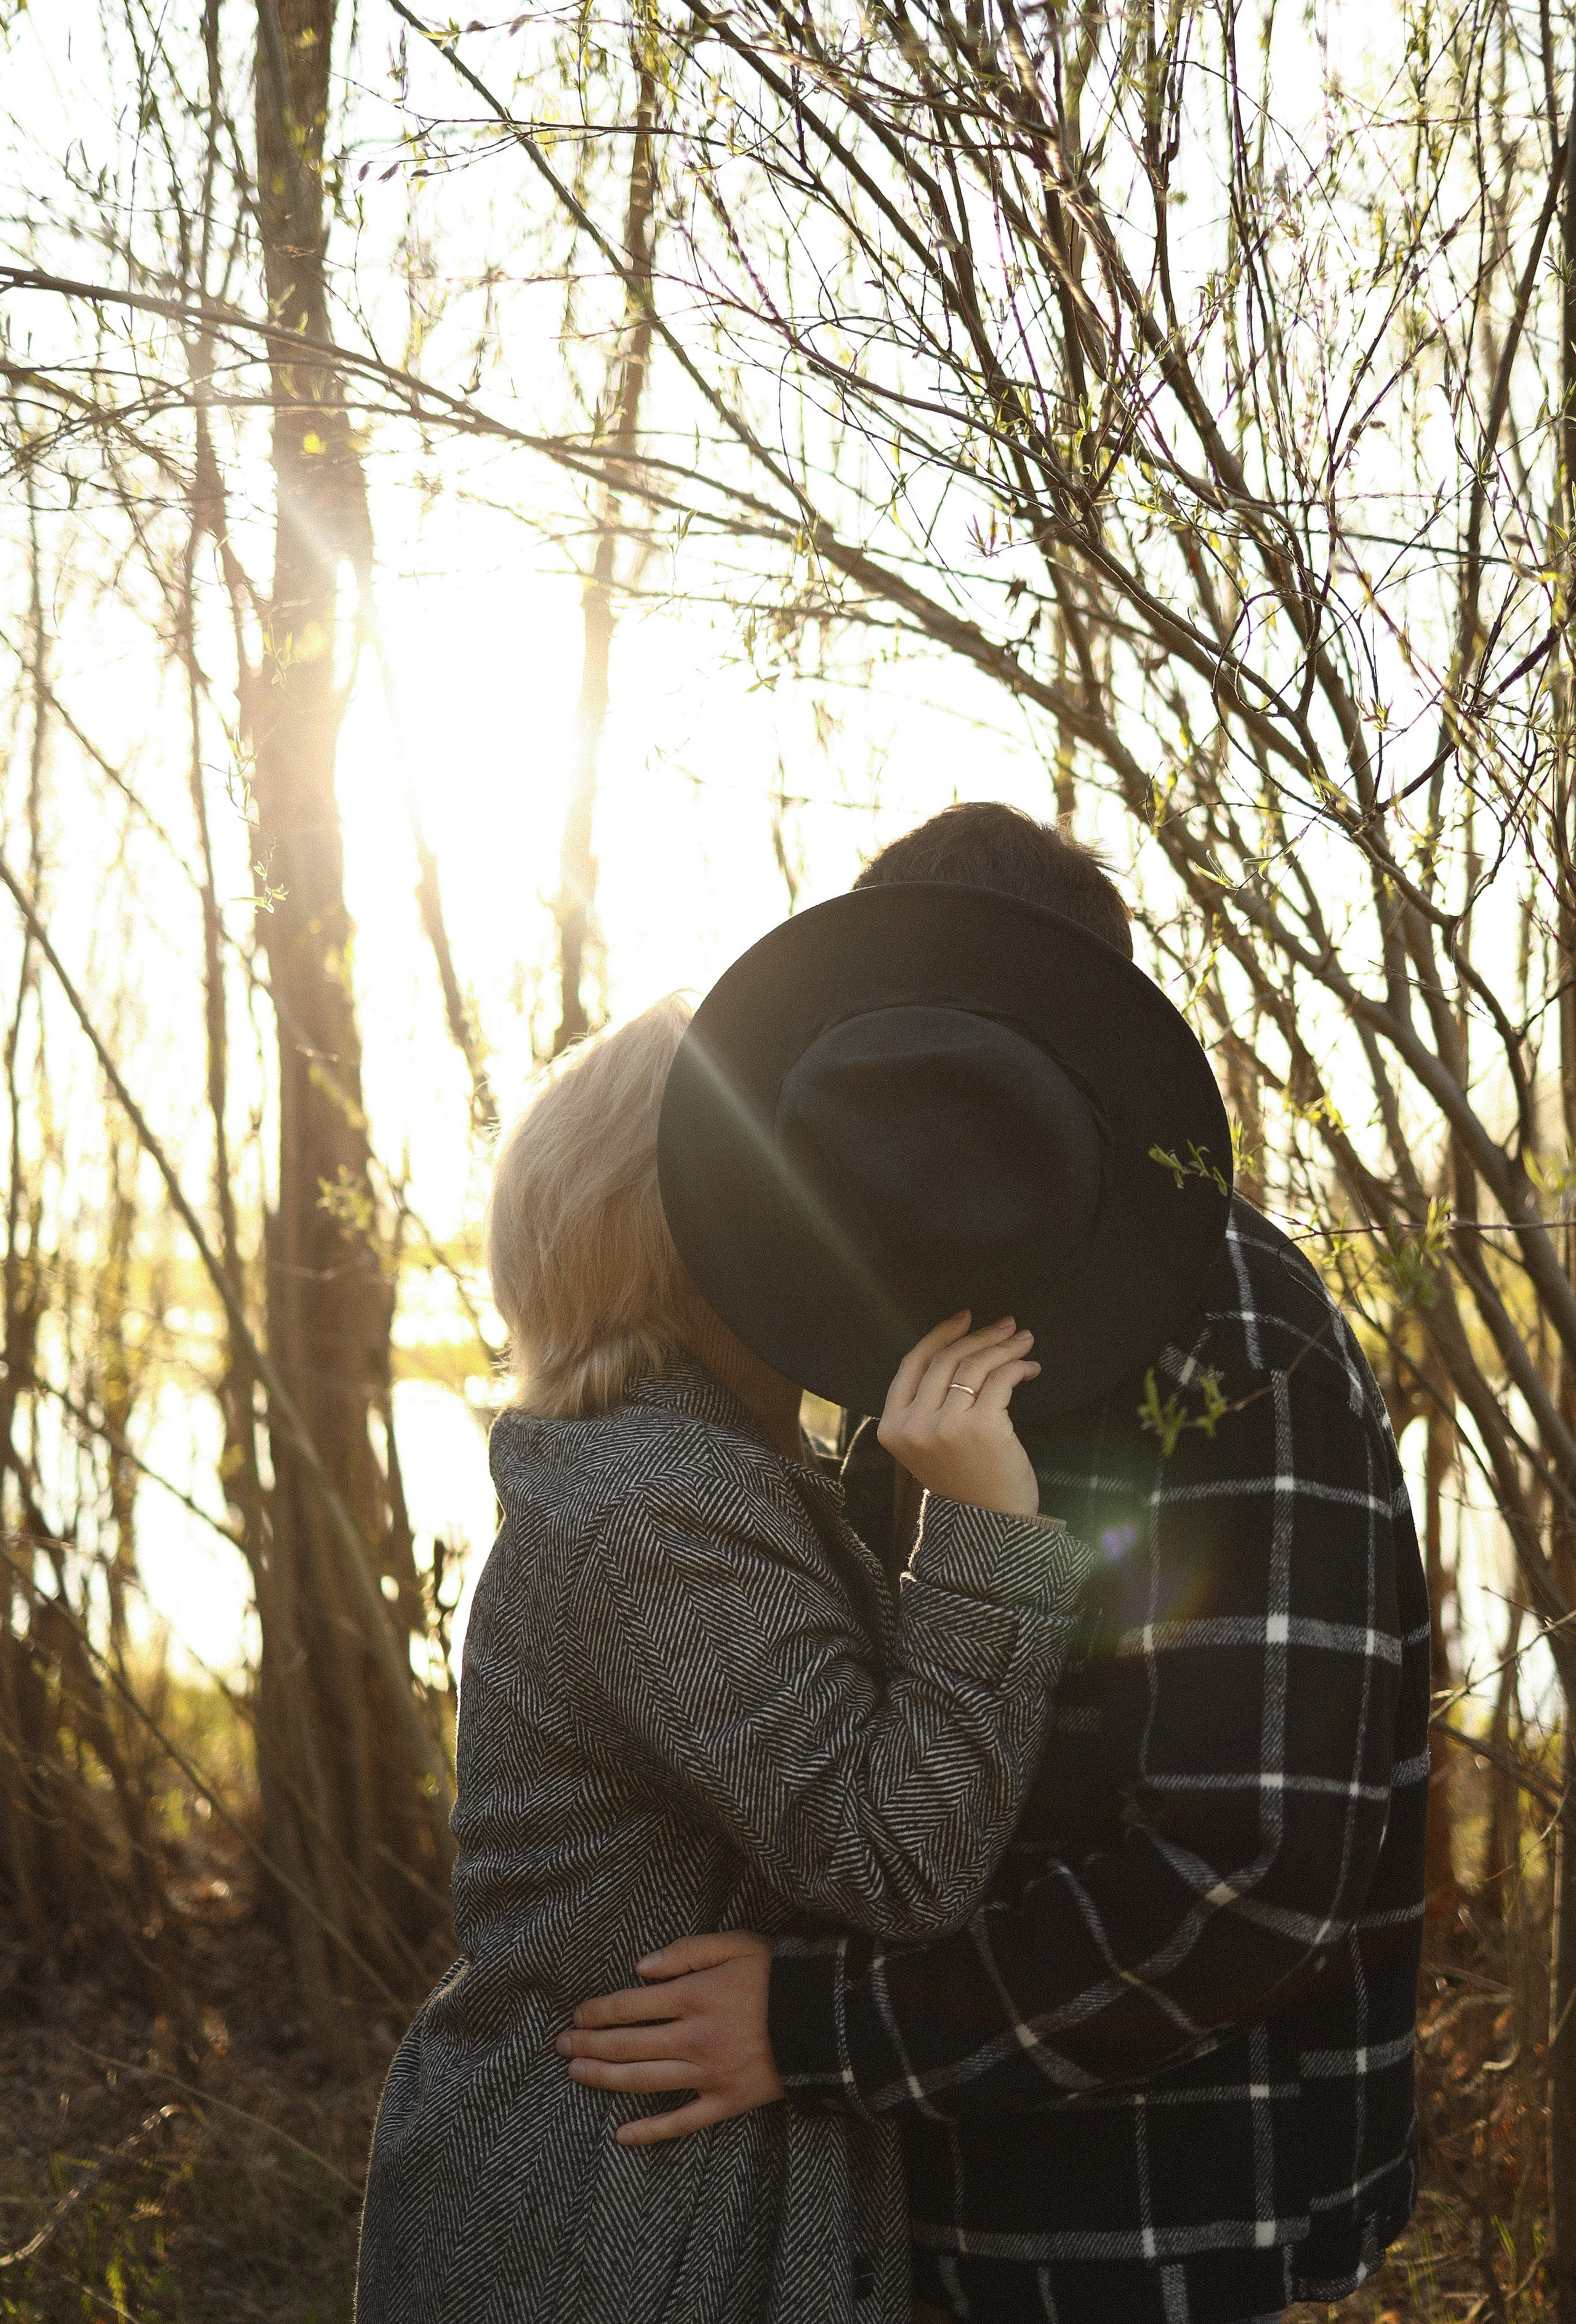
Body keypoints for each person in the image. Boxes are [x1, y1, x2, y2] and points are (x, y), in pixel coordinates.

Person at [560, 806, 1431, 2324]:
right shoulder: (897, 1309)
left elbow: (1247, 1876)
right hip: (935, 2192)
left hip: (1161, 2221)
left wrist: (819, 2029)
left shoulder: (1231, 1341)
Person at [353, 992, 1096, 2324]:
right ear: (692, 1236)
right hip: (607, 2221)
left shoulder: (717, 1474)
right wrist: (984, 1532)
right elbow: (897, 1851)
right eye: (798, 1186)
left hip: (656, 2197)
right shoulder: (653, 1509)